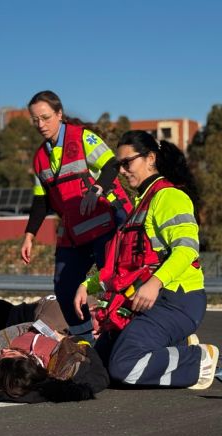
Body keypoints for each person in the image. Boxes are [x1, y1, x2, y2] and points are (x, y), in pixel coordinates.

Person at [74, 130, 217, 390]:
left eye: (127, 163)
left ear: (150, 158)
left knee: (124, 366)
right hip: (144, 302)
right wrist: (89, 285)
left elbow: (187, 250)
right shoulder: (140, 204)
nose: (122, 171)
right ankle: (178, 345)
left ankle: (198, 359)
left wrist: (155, 282)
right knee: (100, 364)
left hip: (177, 300)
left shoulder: (169, 197)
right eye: (119, 165)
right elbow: (123, 267)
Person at [21, 91, 132, 338]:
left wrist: (97, 189)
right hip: (74, 231)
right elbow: (41, 200)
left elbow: (113, 165)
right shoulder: (40, 158)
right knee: (64, 286)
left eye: (46, 117)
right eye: (35, 120)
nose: (41, 124)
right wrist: (29, 235)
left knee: (114, 283)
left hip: (108, 223)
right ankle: (84, 341)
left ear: (59, 114)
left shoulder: (83, 139)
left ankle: (123, 334)